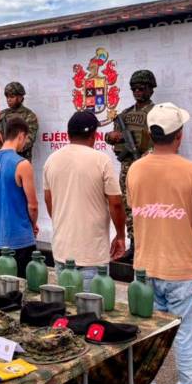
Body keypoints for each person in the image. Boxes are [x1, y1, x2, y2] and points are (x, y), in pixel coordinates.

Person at [127, 102, 192, 384]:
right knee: (186, 334)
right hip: (183, 270)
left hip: (144, 268)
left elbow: (136, 213)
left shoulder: (135, 169)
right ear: (179, 135)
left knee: (148, 332)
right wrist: (181, 243)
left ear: (152, 135)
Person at [43, 110, 125, 290]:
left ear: (67, 134)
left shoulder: (52, 160)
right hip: (91, 255)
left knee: (68, 309)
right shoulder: (101, 161)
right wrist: (120, 235)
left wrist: (64, 221)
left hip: (62, 252)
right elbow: (116, 203)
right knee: (91, 313)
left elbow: (50, 202)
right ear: (95, 135)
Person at [104, 69, 157, 262]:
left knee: (150, 206)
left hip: (150, 167)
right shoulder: (124, 114)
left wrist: (147, 155)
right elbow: (110, 136)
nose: (137, 92)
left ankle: (149, 246)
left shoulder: (156, 113)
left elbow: (162, 140)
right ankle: (134, 245)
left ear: (151, 89)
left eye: (141, 88)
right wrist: (111, 137)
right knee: (128, 206)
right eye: (134, 88)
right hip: (127, 166)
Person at [0, 117, 38, 278]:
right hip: (19, 238)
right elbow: (33, 205)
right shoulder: (22, 164)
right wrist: (33, 224)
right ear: (21, 136)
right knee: (21, 290)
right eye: (26, 139)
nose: (24, 144)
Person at [0, 82, 39, 161]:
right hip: (2, 159)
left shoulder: (29, 115)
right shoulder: (3, 113)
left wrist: (10, 147)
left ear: (20, 97)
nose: (8, 99)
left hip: (20, 159)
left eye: (12, 97)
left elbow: (29, 139)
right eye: (7, 97)